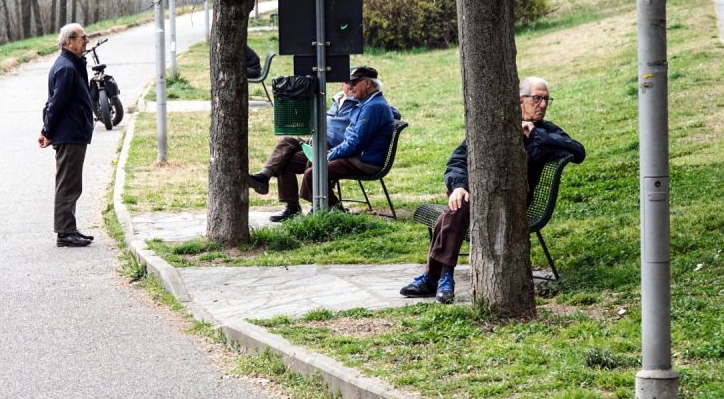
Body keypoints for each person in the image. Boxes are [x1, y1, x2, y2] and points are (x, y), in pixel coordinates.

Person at [400, 77, 585, 304]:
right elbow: (457, 161)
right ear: (519, 101)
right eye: (537, 98)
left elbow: (578, 151)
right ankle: (443, 278)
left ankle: (436, 277)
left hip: (511, 202)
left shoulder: (547, 132)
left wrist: (534, 134)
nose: (543, 104)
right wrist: (458, 186)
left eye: (547, 99)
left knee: (453, 213)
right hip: (476, 196)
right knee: (457, 205)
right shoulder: (494, 127)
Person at [248, 66, 395, 221]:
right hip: (349, 153)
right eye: (348, 83)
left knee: (313, 173)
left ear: (367, 84)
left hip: (361, 160)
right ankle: (291, 206)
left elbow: (354, 143)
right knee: (287, 159)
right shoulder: (366, 103)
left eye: (353, 83)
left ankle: (338, 213)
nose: (350, 87)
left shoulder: (373, 106)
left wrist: (329, 155)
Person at [38, 24, 96, 248]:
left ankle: (69, 228)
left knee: (72, 183)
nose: (87, 40)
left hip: (73, 131)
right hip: (69, 132)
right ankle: (64, 233)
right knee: (67, 184)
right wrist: (47, 131)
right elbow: (55, 103)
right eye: (83, 37)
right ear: (69, 42)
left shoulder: (72, 64)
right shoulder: (67, 68)